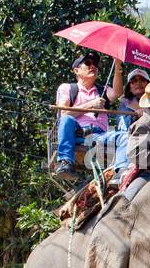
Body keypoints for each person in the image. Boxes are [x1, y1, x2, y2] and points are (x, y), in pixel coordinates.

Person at [53, 52, 127, 181]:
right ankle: (65, 162)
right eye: (87, 63)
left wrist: (117, 66)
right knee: (66, 119)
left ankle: (120, 172)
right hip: (78, 134)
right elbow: (64, 113)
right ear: (76, 70)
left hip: (100, 135)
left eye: (95, 64)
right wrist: (91, 105)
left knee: (125, 136)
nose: (93, 66)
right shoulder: (68, 88)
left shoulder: (102, 90)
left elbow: (117, 92)